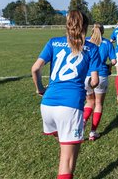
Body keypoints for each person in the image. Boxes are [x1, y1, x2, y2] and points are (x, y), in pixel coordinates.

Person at [31, 10, 101, 179]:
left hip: (47, 105)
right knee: (67, 162)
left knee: (66, 146)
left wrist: (40, 89)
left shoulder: (53, 42)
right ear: (85, 26)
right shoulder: (91, 48)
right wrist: (89, 86)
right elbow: (95, 81)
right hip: (69, 106)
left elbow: (35, 68)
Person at [83, 23, 117, 141]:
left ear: (92, 30)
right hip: (101, 74)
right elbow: (114, 61)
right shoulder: (107, 43)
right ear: (102, 31)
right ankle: (92, 132)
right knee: (98, 103)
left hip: (86, 75)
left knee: (89, 102)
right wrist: (108, 65)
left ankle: (82, 123)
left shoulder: (85, 40)